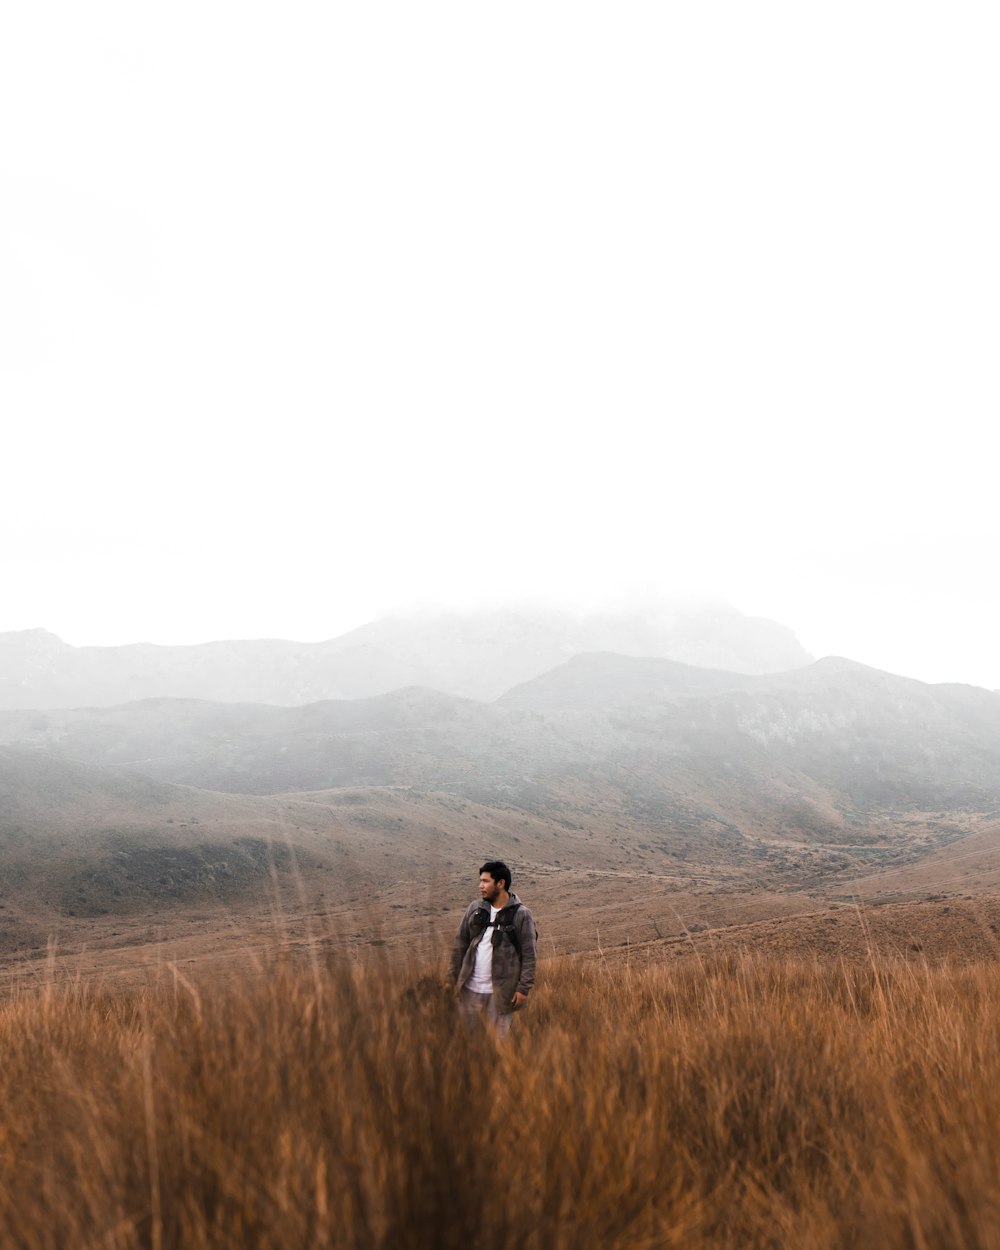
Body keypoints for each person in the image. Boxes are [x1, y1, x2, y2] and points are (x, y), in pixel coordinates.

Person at [449, 860, 537, 1035]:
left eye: (486, 881)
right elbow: (459, 946)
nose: (481, 886)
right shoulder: (475, 909)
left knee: (496, 1047)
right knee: (465, 1045)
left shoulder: (522, 915)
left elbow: (529, 956)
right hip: (468, 992)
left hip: (500, 996)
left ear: (501, 883)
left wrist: (523, 989)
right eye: (480, 881)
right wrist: (450, 982)